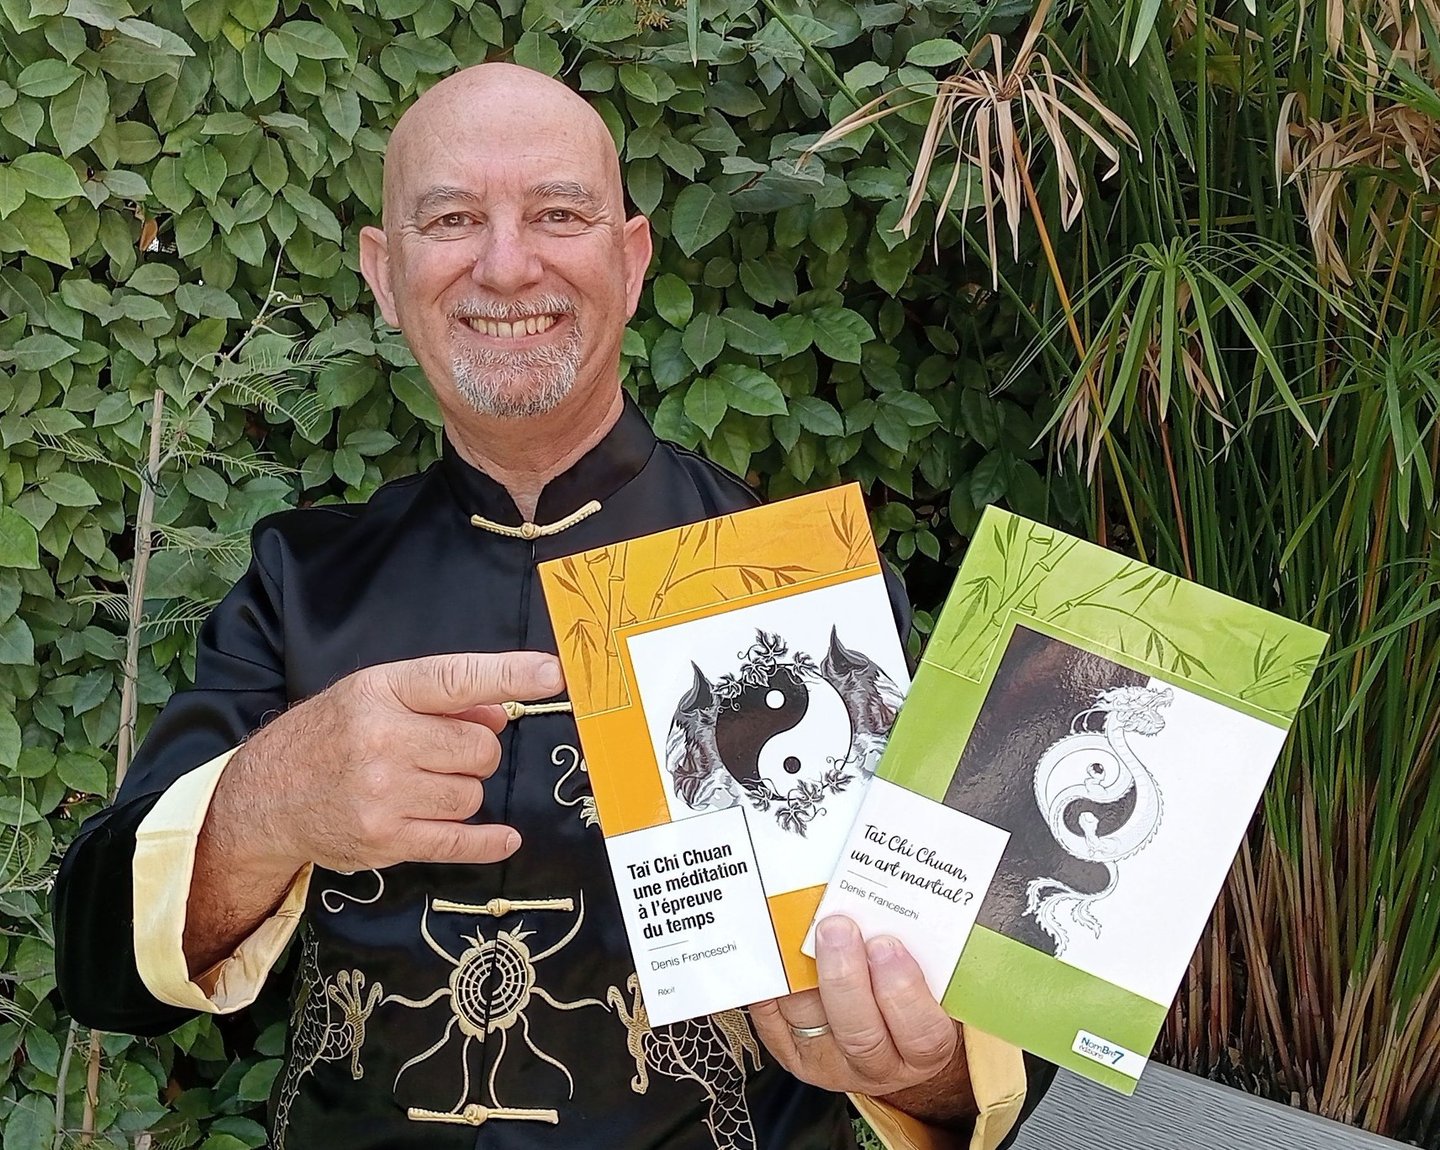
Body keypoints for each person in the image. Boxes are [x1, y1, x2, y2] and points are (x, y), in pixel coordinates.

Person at [53, 63, 1051, 1149]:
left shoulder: (808, 591)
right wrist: (270, 802)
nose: (505, 262)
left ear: (628, 263)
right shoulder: (299, 584)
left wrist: (934, 1067)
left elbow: (999, 1024)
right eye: (451, 218)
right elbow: (102, 966)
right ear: (385, 277)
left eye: (557, 213)